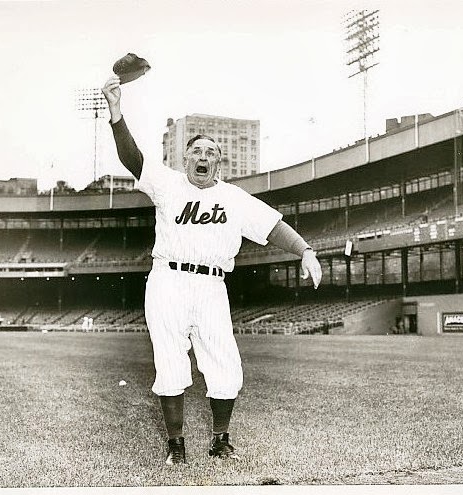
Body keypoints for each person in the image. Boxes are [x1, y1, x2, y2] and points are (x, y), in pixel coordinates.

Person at [101, 74, 322, 465]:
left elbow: (272, 227)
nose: (203, 157)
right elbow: (132, 157)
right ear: (185, 158)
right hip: (168, 280)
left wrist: (305, 250)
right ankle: (176, 445)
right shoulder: (167, 184)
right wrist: (116, 112)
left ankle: (220, 440)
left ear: (220, 162)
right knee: (170, 361)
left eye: (212, 153)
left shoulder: (233, 198)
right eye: (197, 151)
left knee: (225, 363)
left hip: (211, 286)